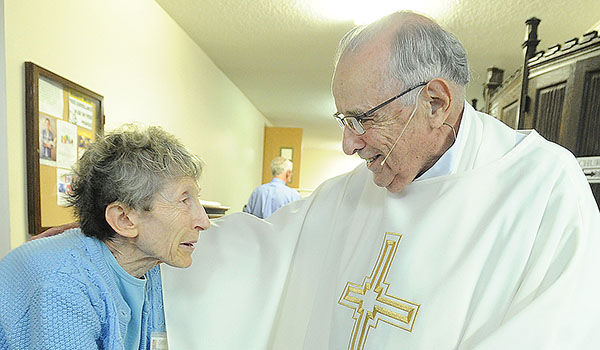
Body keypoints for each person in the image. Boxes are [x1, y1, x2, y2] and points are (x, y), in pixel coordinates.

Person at [161, 11, 600, 349]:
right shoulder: (352, 192)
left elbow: (556, 331)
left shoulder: (543, 187)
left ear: (435, 101)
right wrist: (147, 238)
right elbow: (260, 254)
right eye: (342, 119)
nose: (348, 144)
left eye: (363, 119)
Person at [0, 125, 210, 349]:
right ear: (124, 219)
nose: (203, 222)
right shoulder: (63, 285)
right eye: (184, 200)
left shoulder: (148, 263)